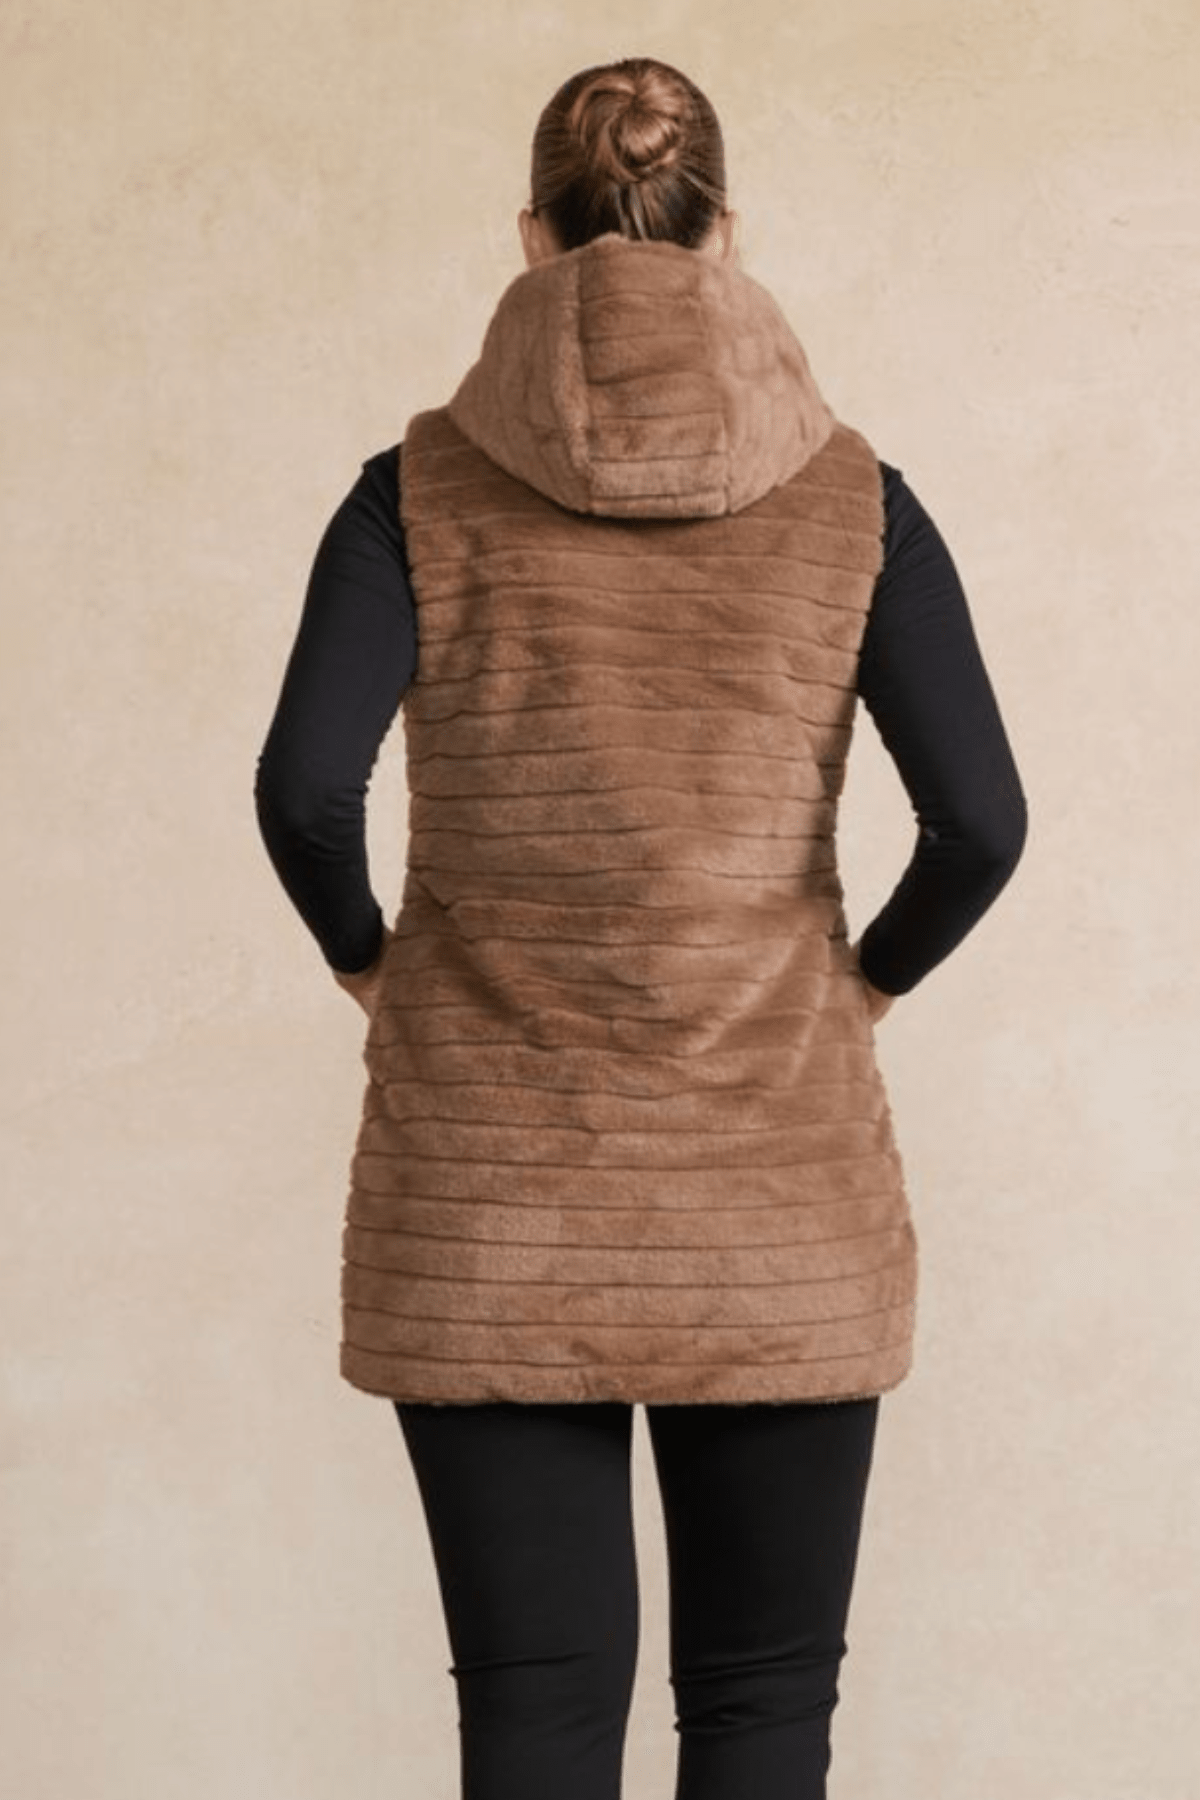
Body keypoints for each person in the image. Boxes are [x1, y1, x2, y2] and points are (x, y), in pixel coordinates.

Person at [255, 55, 1027, 1800]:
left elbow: (303, 790)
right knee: (763, 1709)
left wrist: (368, 960)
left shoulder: (412, 492)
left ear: (532, 238)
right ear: (725, 234)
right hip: (778, 1199)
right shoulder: (860, 500)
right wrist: (862, 985)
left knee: (533, 1717)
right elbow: (983, 825)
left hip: (491, 1196)